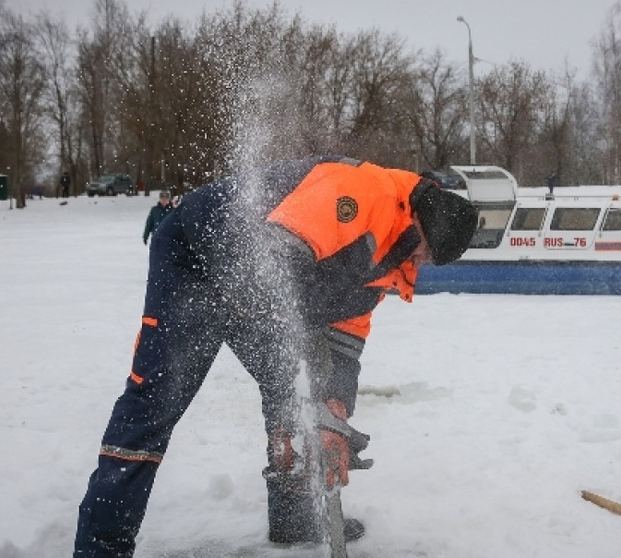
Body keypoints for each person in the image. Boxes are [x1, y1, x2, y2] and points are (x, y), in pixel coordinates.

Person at [74, 156, 478, 557]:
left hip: (255, 282)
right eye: (425, 252)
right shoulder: (359, 194)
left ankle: (293, 515)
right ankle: (101, 544)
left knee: (291, 386)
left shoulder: (393, 251)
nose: (421, 263)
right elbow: (274, 262)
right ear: (421, 223)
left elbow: (347, 334)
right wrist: (305, 375)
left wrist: (333, 410)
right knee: (158, 398)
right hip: (194, 256)